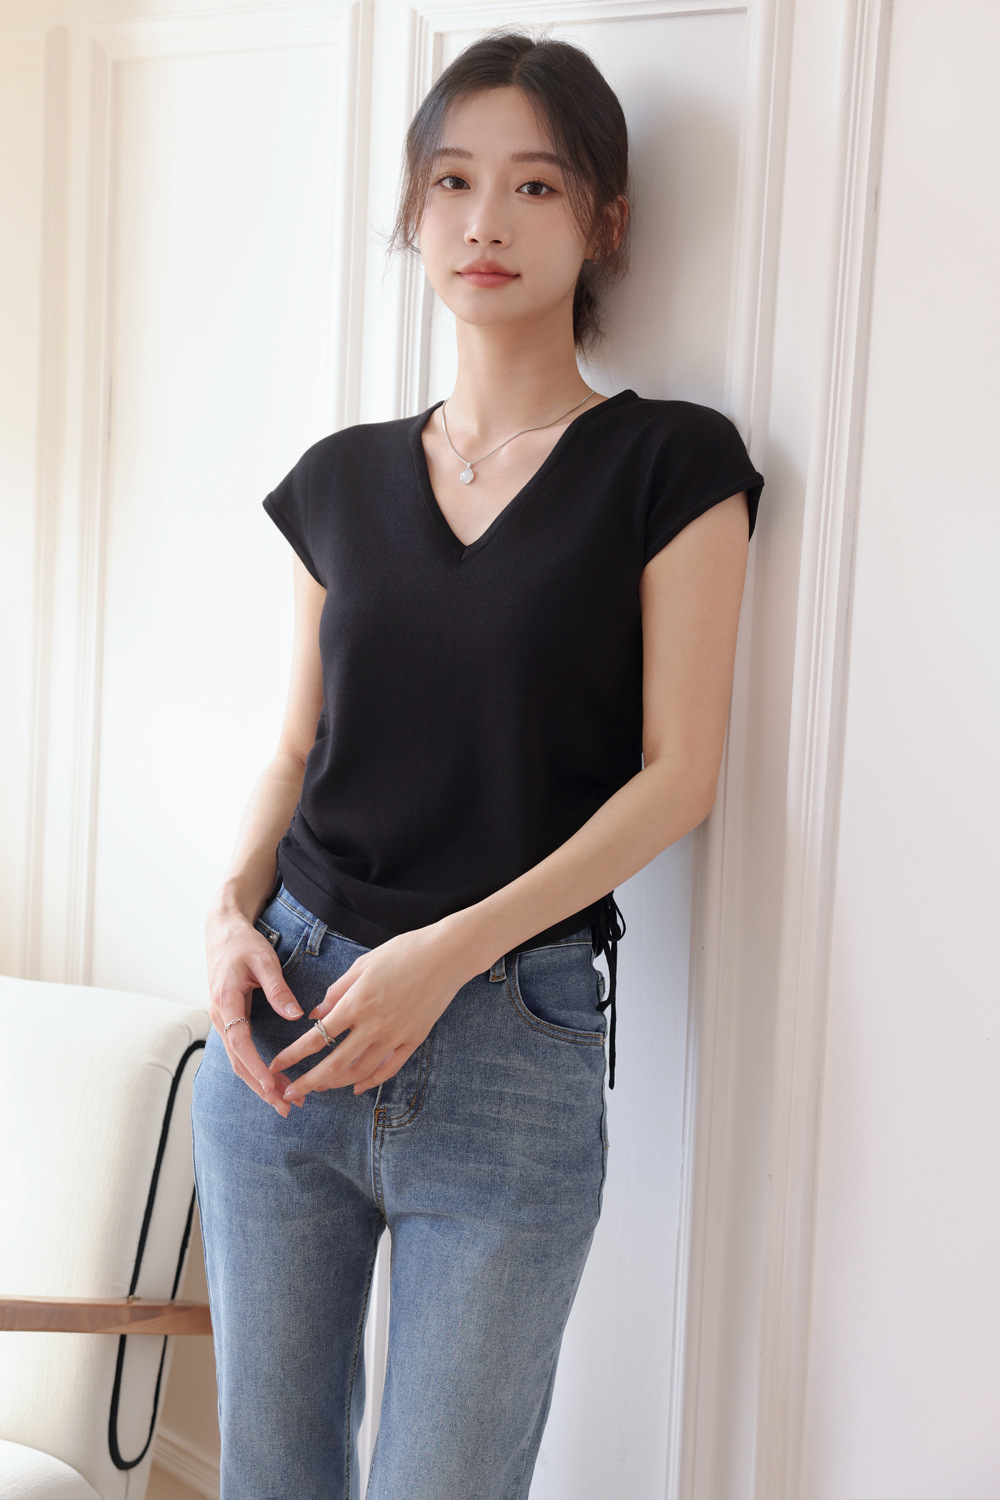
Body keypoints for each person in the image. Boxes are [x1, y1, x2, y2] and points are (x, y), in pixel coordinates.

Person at [190, 27, 764, 1500]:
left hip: (513, 1040)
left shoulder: (672, 465)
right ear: (414, 209)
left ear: (603, 221)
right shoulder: (339, 479)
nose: (485, 220)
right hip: (288, 1016)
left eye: (534, 185)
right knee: (272, 1478)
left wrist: (441, 958)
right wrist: (228, 912)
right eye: (451, 182)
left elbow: (678, 775)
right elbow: (296, 744)